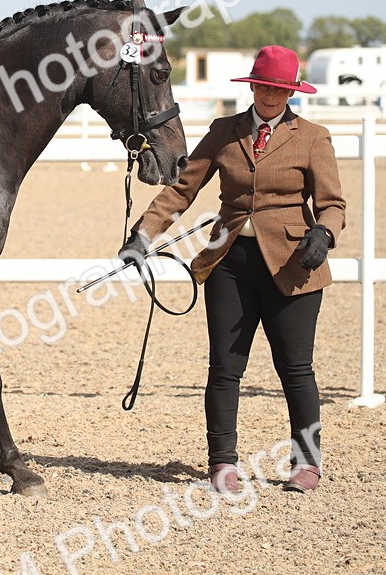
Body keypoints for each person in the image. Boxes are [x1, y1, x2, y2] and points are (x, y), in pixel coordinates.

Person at [119, 45, 346, 494]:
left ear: (291, 92)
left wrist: (324, 233)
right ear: (252, 85)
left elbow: (333, 203)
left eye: (278, 89)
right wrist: (144, 234)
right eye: (263, 86)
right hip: (229, 264)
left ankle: (307, 462)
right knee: (224, 368)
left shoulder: (313, 137)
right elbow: (183, 189)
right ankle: (222, 462)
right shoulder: (224, 132)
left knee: (296, 369)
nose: (269, 95)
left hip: (292, 265)